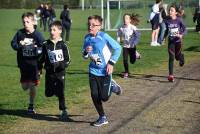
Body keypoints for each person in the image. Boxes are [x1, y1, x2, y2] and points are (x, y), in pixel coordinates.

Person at [82, 15, 122, 127]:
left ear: (99, 26)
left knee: (104, 97)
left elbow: (118, 48)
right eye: (89, 24)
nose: (90, 27)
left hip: (105, 72)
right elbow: (84, 56)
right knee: (94, 95)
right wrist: (86, 51)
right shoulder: (87, 38)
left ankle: (112, 86)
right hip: (93, 71)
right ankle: (102, 117)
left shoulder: (104, 36)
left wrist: (111, 63)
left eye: (93, 25)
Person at [11, 12, 45, 114]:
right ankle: (33, 82)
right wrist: (19, 45)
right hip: (23, 64)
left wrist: (37, 49)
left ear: (33, 22)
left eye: (27, 22)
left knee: (32, 85)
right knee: (25, 86)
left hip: (34, 64)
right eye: (24, 22)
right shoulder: (20, 33)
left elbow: (44, 47)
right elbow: (13, 44)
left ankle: (31, 106)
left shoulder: (37, 35)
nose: (25, 24)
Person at [40, 21, 71, 120]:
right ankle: (53, 91)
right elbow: (41, 58)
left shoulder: (63, 45)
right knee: (48, 93)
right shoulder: (45, 44)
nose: (52, 32)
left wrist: (60, 64)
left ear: (60, 31)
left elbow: (68, 60)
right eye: (51, 30)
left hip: (60, 72)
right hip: (49, 73)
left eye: (54, 30)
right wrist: (39, 68)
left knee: (61, 92)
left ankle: (63, 110)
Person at [165, 4, 186, 82]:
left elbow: (185, 29)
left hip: (178, 42)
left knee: (177, 57)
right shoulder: (167, 20)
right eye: (169, 10)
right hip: (171, 42)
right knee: (171, 57)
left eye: (172, 10)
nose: (170, 11)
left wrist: (181, 35)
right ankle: (171, 75)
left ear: (176, 12)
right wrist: (163, 37)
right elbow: (166, 30)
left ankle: (181, 57)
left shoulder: (179, 20)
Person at [117, 13, 141, 78]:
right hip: (125, 46)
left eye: (127, 18)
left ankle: (135, 54)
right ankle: (126, 72)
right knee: (125, 60)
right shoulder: (121, 27)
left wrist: (134, 43)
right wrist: (118, 43)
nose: (125, 20)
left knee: (132, 61)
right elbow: (118, 35)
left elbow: (138, 35)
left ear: (130, 20)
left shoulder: (132, 27)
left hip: (132, 46)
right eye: (124, 18)